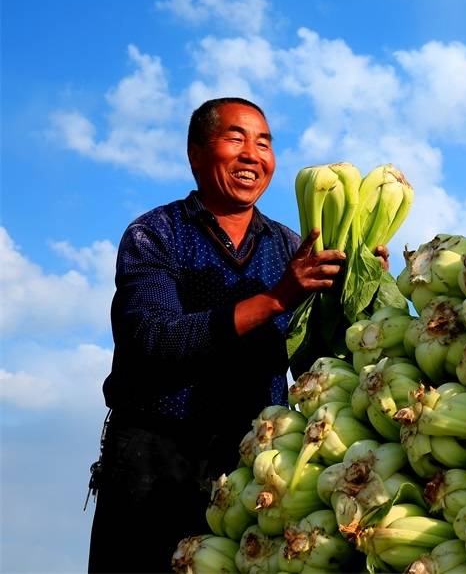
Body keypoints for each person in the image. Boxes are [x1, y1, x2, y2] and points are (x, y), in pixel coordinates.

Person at [87, 97, 369, 572]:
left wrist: (353, 290)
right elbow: (152, 340)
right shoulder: (156, 234)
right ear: (195, 153)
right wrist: (277, 298)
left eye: (263, 143)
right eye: (235, 138)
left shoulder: (288, 246)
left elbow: (312, 367)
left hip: (253, 467)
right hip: (155, 463)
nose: (252, 154)